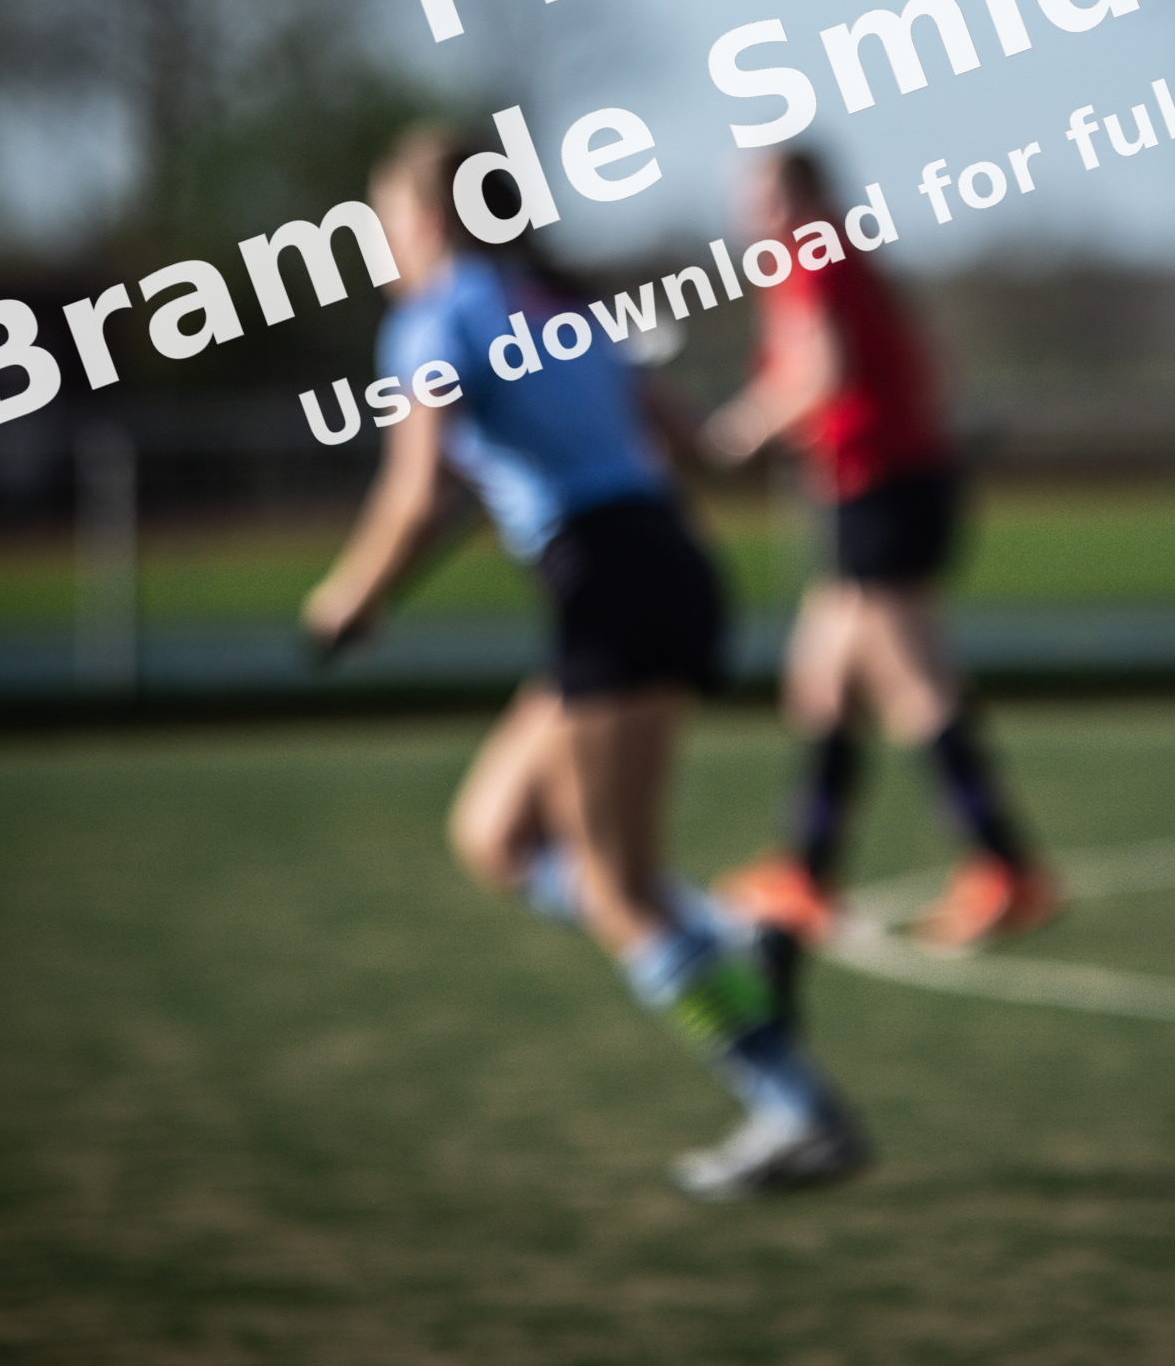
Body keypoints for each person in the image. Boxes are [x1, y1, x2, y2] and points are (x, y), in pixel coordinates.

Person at [300, 123, 867, 1200]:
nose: (382, 244)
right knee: (496, 833)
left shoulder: (433, 320)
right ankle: (729, 933)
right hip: (655, 567)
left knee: (615, 890)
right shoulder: (561, 304)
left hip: (609, 584)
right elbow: (693, 445)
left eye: (384, 220)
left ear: (427, 220)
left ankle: (797, 1110)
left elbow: (418, 492)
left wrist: (348, 600)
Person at [701, 147, 1061, 952]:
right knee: (822, 682)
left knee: (913, 683)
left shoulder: (812, 257)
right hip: (882, 488)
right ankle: (808, 872)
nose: (757, 213)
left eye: (771, 196)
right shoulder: (841, 257)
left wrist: (740, 429)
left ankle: (1004, 866)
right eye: (751, 198)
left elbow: (823, 371)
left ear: (810, 195)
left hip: (879, 491)